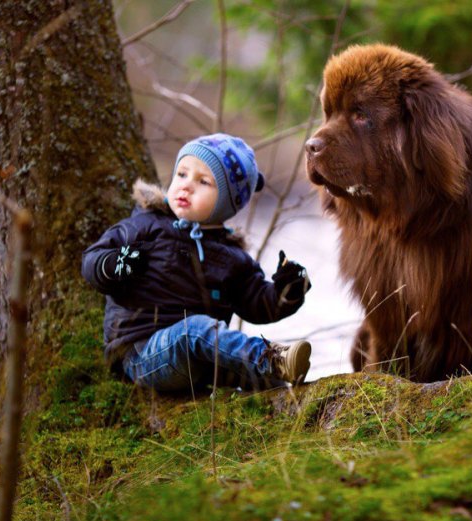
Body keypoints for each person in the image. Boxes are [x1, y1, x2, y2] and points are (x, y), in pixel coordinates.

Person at [82, 133, 312, 391]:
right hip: (140, 353)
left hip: (200, 358)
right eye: (182, 174)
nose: (186, 185)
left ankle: (278, 377)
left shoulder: (232, 257)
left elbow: (259, 304)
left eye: (203, 181)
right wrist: (115, 264)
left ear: (226, 203)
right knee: (195, 330)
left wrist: (289, 290)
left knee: (265, 383)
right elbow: (91, 260)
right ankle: (270, 358)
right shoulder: (145, 225)